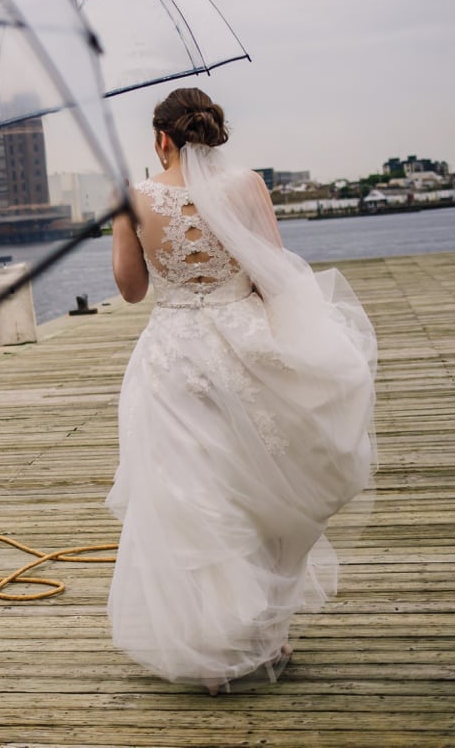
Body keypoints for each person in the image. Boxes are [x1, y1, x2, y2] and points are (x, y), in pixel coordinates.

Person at [105, 87, 377, 695]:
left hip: (172, 359)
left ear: (161, 139)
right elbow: (272, 274)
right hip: (243, 347)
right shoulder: (248, 186)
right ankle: (267, 630)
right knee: (260, 482)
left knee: (192, 495)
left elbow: (129, 291)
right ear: (210, 134)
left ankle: (209, 652)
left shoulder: (132, 196)